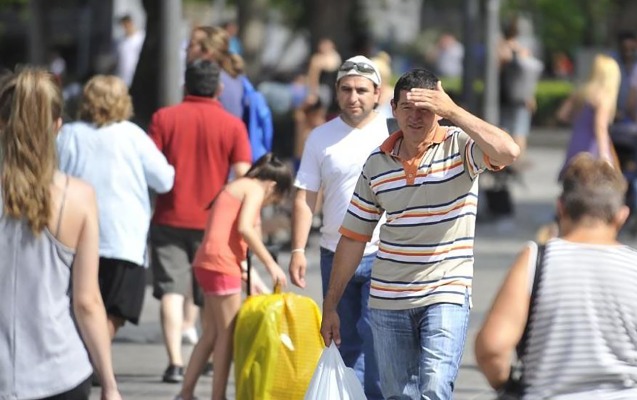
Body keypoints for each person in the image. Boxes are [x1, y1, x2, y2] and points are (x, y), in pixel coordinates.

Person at [320, 68, 520, 400]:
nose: (415, 117)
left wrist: (453, 110)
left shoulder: (460, 146)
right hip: (388, 299)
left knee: (435, 387)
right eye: (407, 108)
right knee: (399, 396)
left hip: (446, 290)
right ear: (394, 110)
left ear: (439, 111)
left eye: (425, 109)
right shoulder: (377, 163)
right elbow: (354, 237)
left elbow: (508, 151)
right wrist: (331, 305)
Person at [0, 68, 121, 399]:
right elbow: (87, 301)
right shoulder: (78, 197)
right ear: (57, 127)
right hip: (60, 371)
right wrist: (109, 383)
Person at [475, 153, 637, 399]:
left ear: (560, 208)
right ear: (621, 216)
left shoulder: (536, 260)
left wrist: (508, 387)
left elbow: (492, 348)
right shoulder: (633, 267)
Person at [290, 55, 388, 400]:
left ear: (377, 93)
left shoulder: (394, 132)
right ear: (336, 91)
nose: (353, 97)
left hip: (383, 253)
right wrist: (297, 249)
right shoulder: (320, 137)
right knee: (342, 342)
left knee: (378, 340)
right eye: (346, 89)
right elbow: (306, 197)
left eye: (362, 90)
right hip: (334, 253)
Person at [149, 59, 252, 383]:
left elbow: (151, 165)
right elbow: (243, 174)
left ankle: (175, 362)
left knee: (171, 290)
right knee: (209, 293)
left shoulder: (163, 118)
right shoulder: (232, 124)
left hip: (169, 215)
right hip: (213, 223)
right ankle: (205, 355)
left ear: (185, 86)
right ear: (219, 89)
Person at [57, 75, 174, 340]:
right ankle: (95, 352)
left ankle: (88, 353)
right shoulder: (133, 136)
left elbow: (54, 175)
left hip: (75, 236)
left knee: (79, 305)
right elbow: (165, 180)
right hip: (123, 237)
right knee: (117, 309)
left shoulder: (69, 135)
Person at [175, 153, 291, 400]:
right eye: (275, 198)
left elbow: (228, 237)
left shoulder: (236, 186)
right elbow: (245, 228)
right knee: (227, 334)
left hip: (206, 262)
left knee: (211, 333)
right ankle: (218, 396)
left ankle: (186, 393)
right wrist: (271, 264)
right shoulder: (255, 189)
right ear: (272, 186)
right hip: (221, 264)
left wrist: (253, 278)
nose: (269, 203)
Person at [556, 54, 621, 179]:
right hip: (592, 146)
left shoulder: (581, 92)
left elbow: (562, 115)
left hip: (576, 143)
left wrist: (581, 120)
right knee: (593, 185)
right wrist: (605, 155)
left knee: (573, 181)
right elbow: (600, 127)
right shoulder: (603, 97)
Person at [186, 25, 245, 119]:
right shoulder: (230, 78)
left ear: (208, 52)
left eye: (191, 45)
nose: (186, 49)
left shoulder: (213, 82)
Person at [305, 38, 342, 118]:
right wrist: (313, 93)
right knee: (318, 115)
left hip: (334, 90)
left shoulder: (335, 57)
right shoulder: (317, 59)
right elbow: (313, 77)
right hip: (322, 90)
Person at [116, 14, 145, 87]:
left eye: (127, 24)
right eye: (123, 25)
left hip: (138, 77)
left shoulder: (141, 38)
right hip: (124, 79)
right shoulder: (120, 42)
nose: (125, 27)